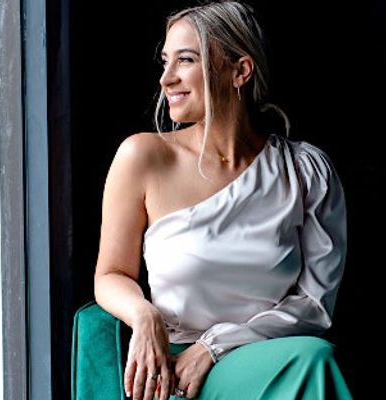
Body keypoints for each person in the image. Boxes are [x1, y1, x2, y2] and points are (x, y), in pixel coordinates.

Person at [93, 1, 352, 399]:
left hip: (273, 358)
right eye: (165, 61)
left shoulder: (306, 171)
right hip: (177, 370)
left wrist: (215, 346)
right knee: (314, 362)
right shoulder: (144, 157)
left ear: (240, 71)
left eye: (185, 60)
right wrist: (145, 316)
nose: (166, 78)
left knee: (314, 359)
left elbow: (315, 306)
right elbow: (111, 274)